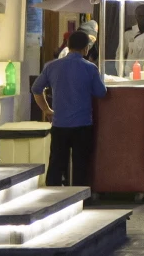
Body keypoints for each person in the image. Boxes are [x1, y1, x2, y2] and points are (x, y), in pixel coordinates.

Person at [32, 30, 107, 189]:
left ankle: (53, 198)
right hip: (82, 125)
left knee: (56, 165)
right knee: (81, 166)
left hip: (60, 125)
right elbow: (101, 92)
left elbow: (36, 89)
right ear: (86, 49)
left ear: (67, 45)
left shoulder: (51, 66)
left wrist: (46, 109)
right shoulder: (90, 68)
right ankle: (81, 200)